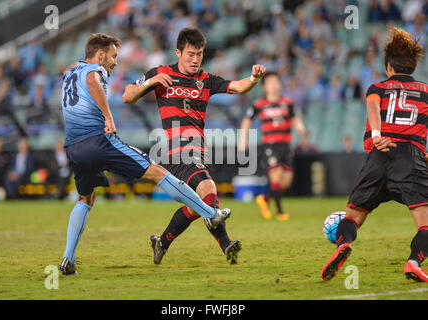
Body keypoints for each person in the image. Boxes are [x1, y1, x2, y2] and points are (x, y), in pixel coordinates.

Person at [58, 33, 231, 275]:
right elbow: (91, 81)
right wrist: (108, 117)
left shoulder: (70, 70)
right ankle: (211, 214)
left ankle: (68, 259)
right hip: (99, 141)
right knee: (158, 172)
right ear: (100, 55)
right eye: (113, 56)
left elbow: (75, 81)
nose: (115, 62)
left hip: (74, 146)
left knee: (85, 200)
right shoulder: (96, 70)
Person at [123, 28, 266, 264]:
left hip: (198, 149)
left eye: (199, 54)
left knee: (196, 204)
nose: (195, 59)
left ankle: (163, 241)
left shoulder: (206, 80)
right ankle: (226, 244)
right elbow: (128, 96)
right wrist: (149, 81)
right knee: (209, 189)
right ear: (178, 52)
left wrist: (254, 79)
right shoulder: (161, 73)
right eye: (190, 54)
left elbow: (238, 87)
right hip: (177, 151)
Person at [321, 28, 428, 282]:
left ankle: (343, 244)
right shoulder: (425, 90)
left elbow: (371, 106)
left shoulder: (377, 87)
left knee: (353, 217)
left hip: (379, 155)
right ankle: (413, 262)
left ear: (388, 66)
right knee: (425, 225)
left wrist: (378, 133)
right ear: (412, 66)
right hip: (410, 157)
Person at [238, 72, 308, 221]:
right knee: (276, 177)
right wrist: (243, 139)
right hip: (270, 145)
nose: (274, 85)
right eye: (270, 82)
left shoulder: (287, 103)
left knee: (286, 182)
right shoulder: (259, 104)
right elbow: (246, 120)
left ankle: (265, 199)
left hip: (286, 145)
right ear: (265, 87)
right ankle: (280, 212)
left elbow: (296, 119)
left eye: (276, 82)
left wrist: (302, 130)